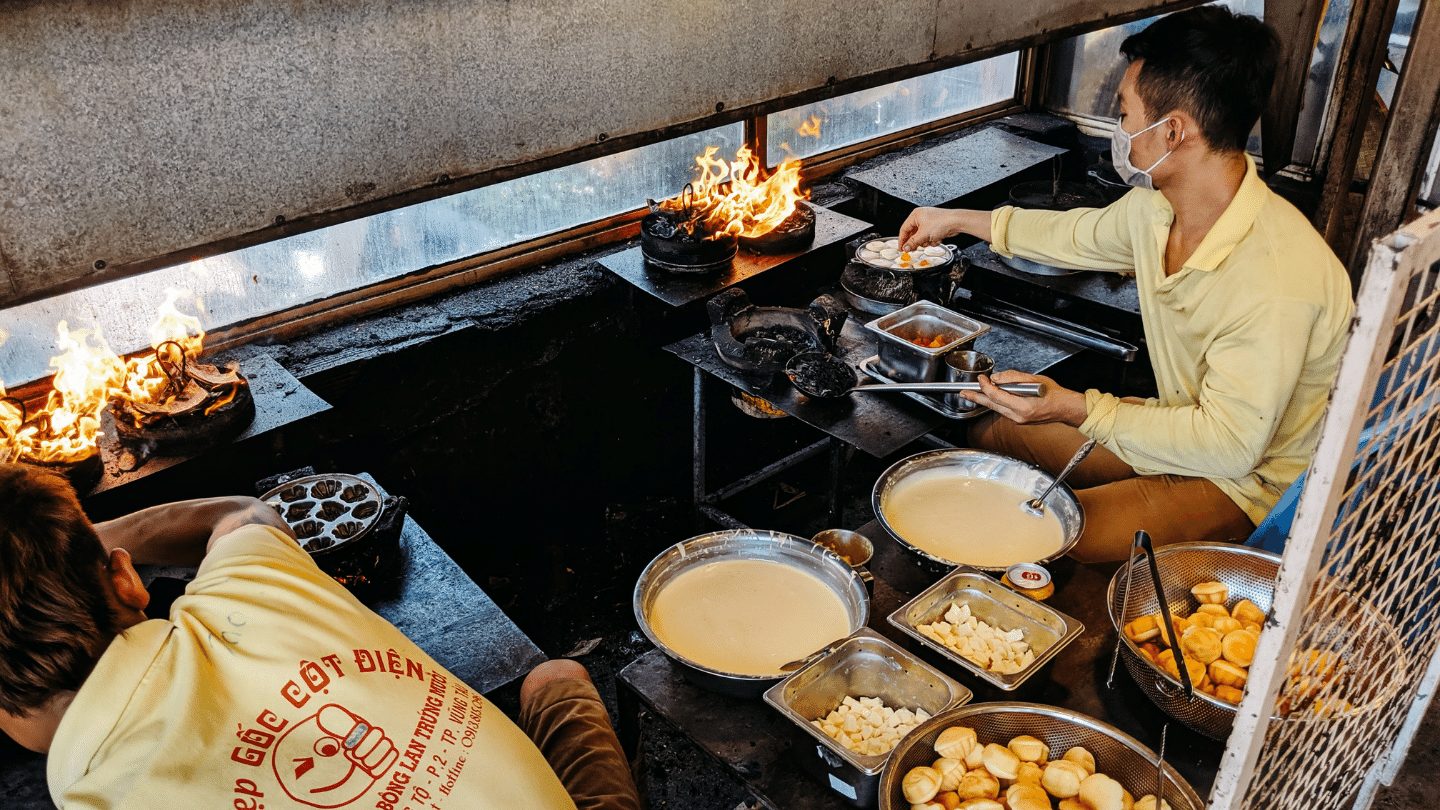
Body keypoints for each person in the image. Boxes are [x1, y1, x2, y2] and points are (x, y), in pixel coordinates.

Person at [898, 7, 1354, 562]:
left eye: (1124, 113)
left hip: (1247, 482)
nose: (1120, 130)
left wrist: (1076, 408)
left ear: (1173, 130)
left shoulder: (1276, 280)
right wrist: (959, 220)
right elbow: (1076, 235)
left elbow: (1230, 446)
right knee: (994, 437)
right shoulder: (1156, 209)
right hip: (1179, 425)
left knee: (1048, 539)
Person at [0, 463, 640, 810]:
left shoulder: (94, 796)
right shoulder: (251, 584)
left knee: (556, 682)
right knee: (558, 678)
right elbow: (241, 513)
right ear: (127, 580)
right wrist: (78, 544)